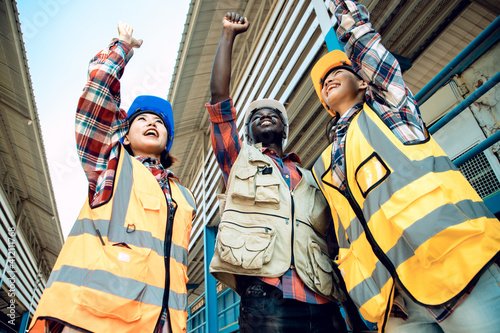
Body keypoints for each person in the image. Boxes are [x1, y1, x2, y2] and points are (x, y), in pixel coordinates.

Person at [310, 1, 500, 332]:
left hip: (455, 270)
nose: (328, 80)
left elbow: (367, 48)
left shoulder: (390, 110)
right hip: (393, 306)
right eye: (323, 82)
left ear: (365, 82)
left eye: (338, 72)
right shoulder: (323, 167)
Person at [29, 22, 196, 333]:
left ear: (167, 139)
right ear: (126, 136)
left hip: (160, 325)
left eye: (159, 122)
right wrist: (122, 47)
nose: (151, 123)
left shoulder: (184, 197)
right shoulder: (112, 163)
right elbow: (96, 99)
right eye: (141, 119)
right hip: (91, 317)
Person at [206, 12, 360, 333]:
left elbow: (332, 244)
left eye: (273, 114)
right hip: (267, 299)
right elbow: (220, 102)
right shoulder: (239, 161)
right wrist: (228, 35)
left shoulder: (312, 176)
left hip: (324, 301)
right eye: (258, 115)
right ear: (247, 131)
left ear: (283, 129)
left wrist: (351, 310)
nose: (265, 116)